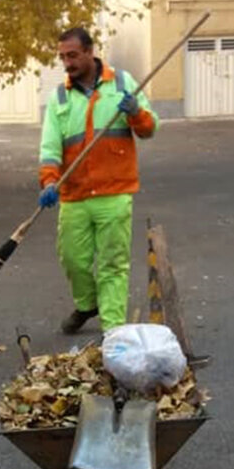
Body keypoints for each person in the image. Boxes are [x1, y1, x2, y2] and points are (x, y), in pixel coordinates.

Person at [38, 26, 158, 334]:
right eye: (63, 57)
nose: (67, 63)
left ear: (90, 52)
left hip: (114, 192)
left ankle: (113, 331)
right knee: (72, 260)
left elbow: (148, 128)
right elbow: (50, 146)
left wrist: (135, 113)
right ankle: (87, 304)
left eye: (73, 55)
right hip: (74, 195)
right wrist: (49, 181)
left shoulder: (122, 83)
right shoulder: (60, 97)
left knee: (112, 264)